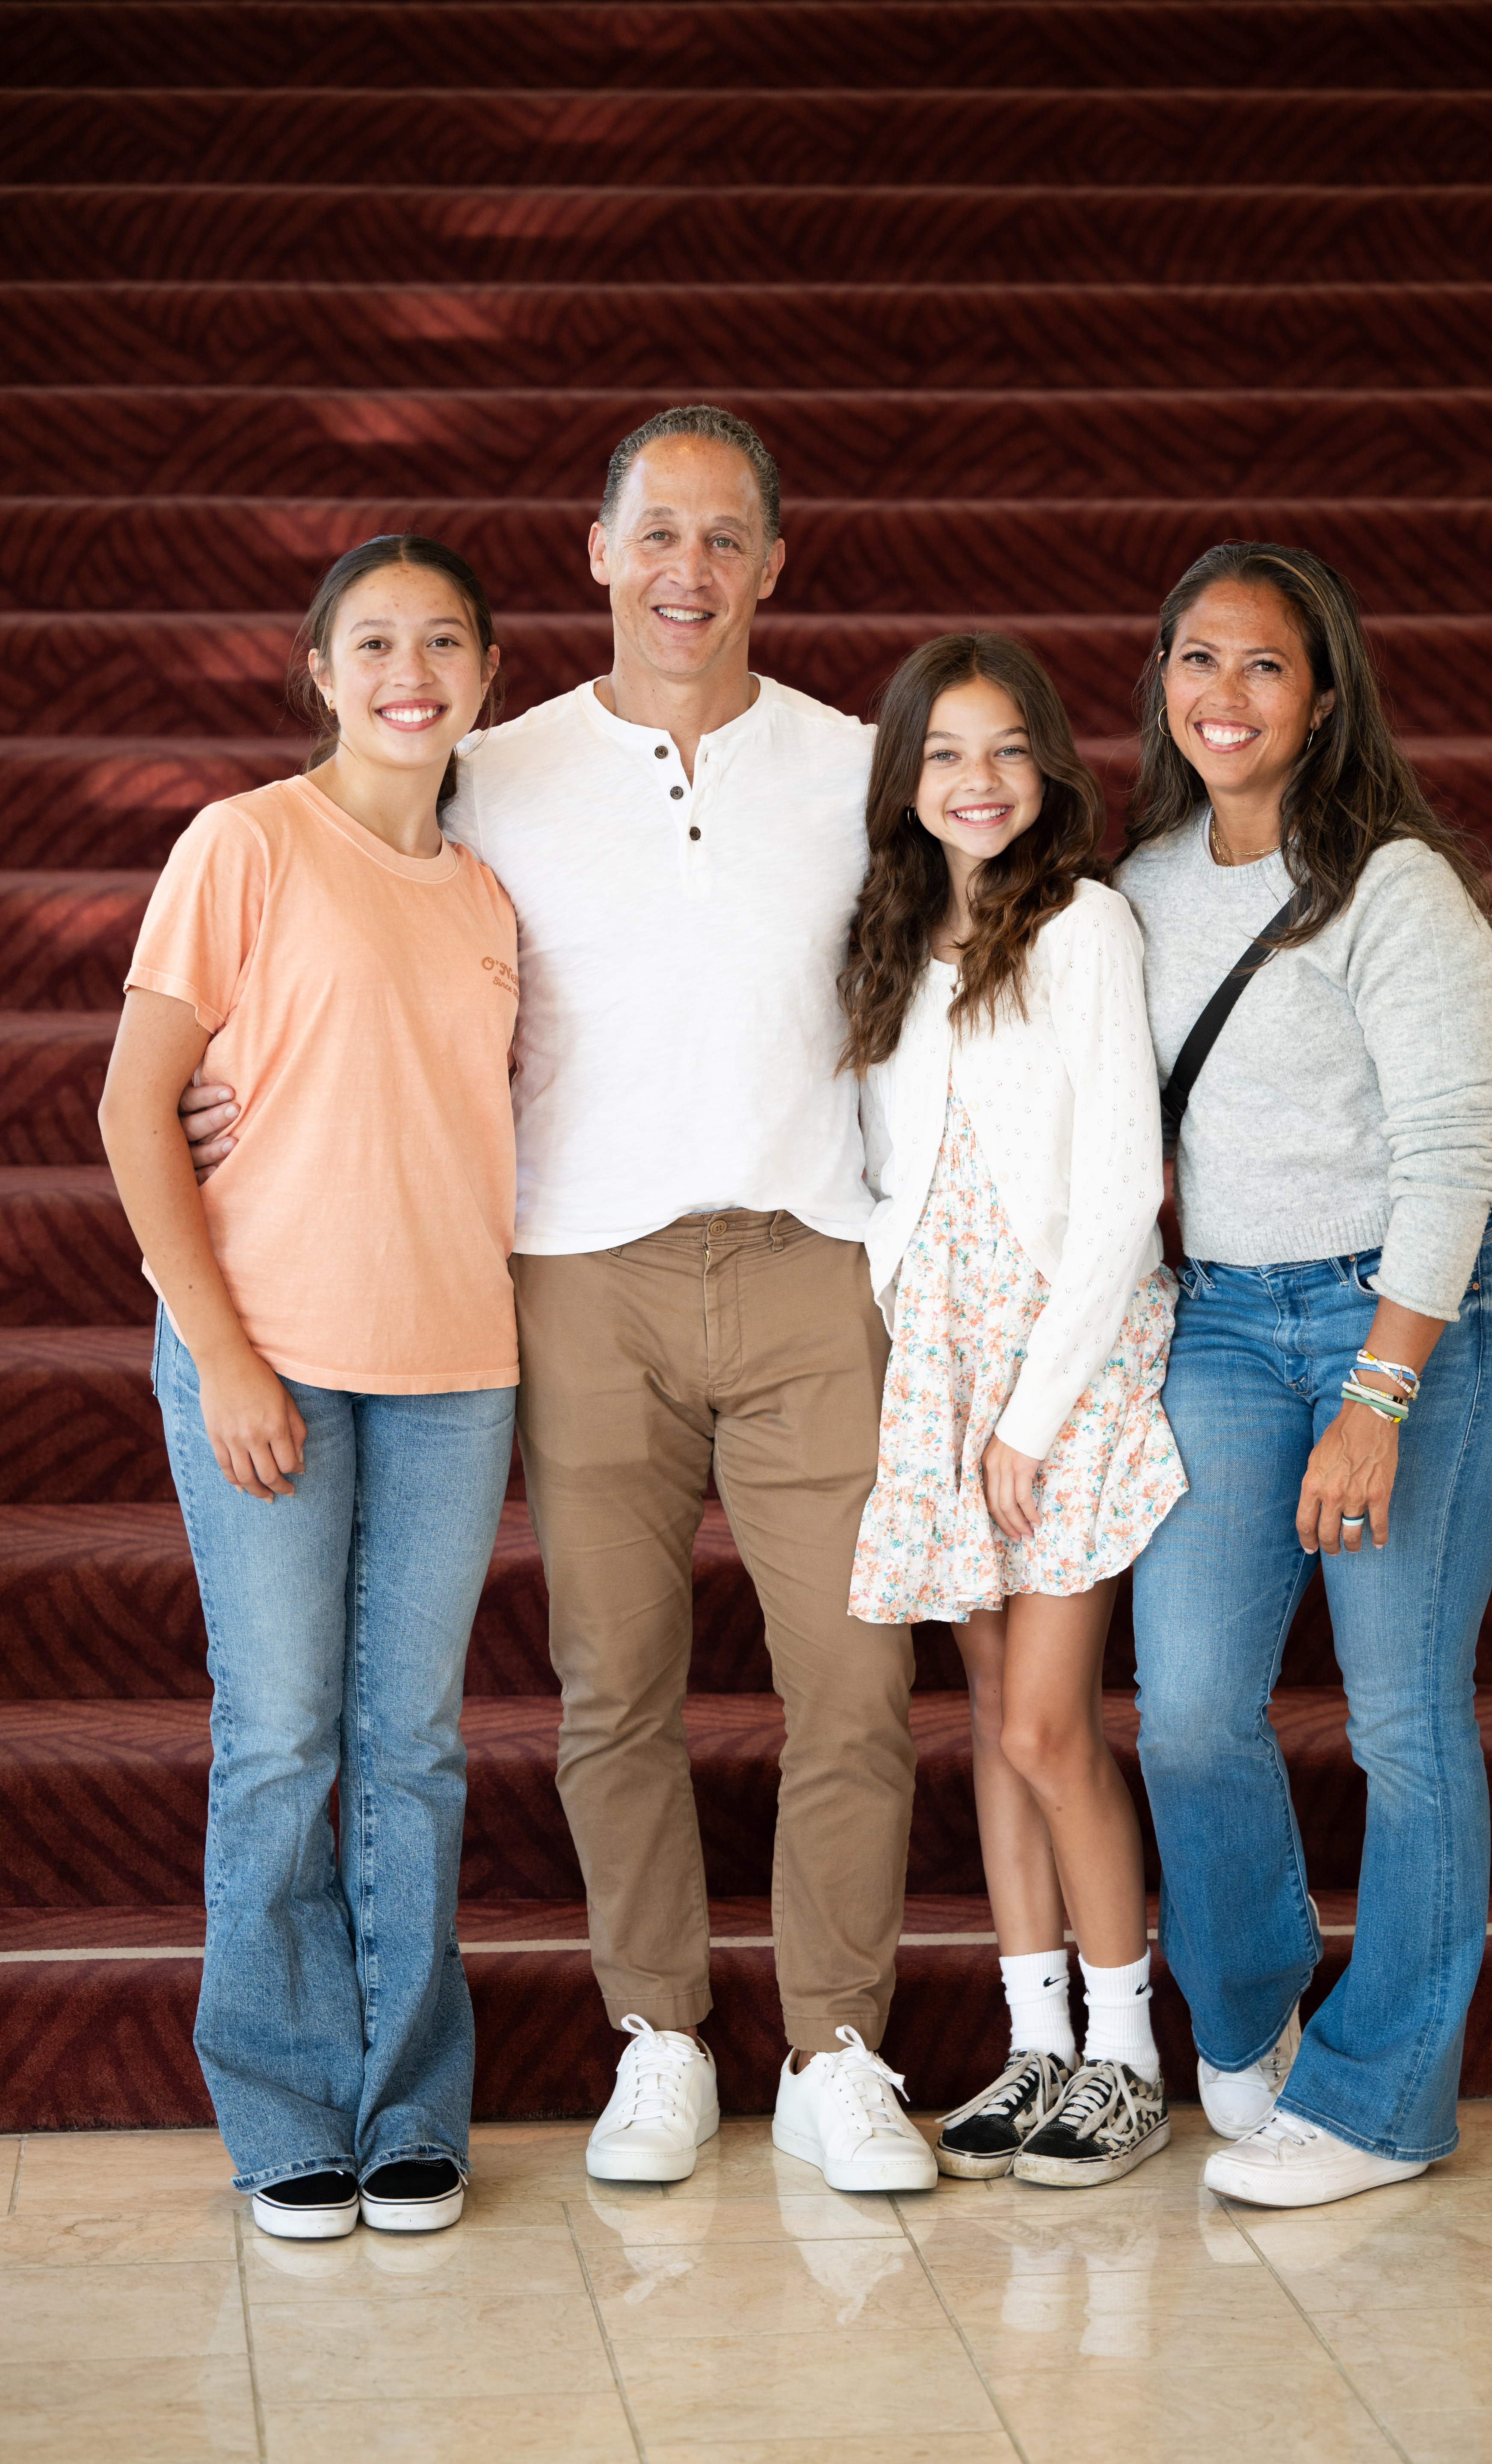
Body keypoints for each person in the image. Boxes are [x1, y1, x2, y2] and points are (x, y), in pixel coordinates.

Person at [183, 405, 936, 2196]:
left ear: (775, 561)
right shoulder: (489, 768)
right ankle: (660, 2034)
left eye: (723, 536)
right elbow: (343, 943)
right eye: (653, 534)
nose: (688, 570)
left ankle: (840, 2048)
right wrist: (234, 1086)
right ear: (597, 556)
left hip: (810, 1262)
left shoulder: (857, 767)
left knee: (855, 1684)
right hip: (578, 1280)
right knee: (616, 1687)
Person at [101, 535, 520, 2242]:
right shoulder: (247, 843)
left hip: (454, 1371)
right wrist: (221, 1359)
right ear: (321, 668)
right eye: (373, 641)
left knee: (414, 1750)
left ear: (485, 672)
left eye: (440, 642)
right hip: (266, 1353)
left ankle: (409, 2108)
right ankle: (281, 2112)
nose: (408, 670)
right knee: (279, 1741)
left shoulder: (491, 896)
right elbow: (139, 1113)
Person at [1119, 540, 1492, 2208]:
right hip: (1223, 1319)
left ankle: (1384, 2105)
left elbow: (1456, 1149)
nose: (1225, 694)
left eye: (1266, 666)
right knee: (1197, 1710)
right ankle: (1249, 2009)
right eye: (1198, 660)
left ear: (1326, 693)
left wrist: (1378, 1398)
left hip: (1411, 1321)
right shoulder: (1142, 887)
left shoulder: (1395, 885)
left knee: (1403, 1721)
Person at [842, 631, 1187, 2188]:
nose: (974, 783)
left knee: (1052, 1724)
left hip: (1064, 1372)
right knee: (989, 1725)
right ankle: (1034, 2042)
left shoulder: (1085, 926)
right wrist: (924, 1365)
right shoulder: (898, 939)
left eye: (1003, 752)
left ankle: (1127, 2056)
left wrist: (1031, 1422)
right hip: (944, 1366)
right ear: (904, 782)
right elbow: (887, 1174)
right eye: (941, 756)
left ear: (1048, 767)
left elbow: (1121, 1192)